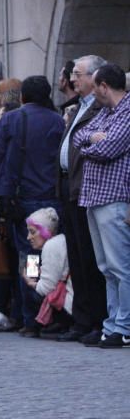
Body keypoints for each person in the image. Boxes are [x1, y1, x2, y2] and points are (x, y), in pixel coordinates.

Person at [0, 75, 65, 336]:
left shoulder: (12, 119)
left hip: (23, 198)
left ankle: (30, 317)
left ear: (23, 97)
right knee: (52, 257)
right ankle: (50, 314)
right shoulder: (57, 120)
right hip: (51, 196)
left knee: (29, 256)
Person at [73, 64, 130, 349]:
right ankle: (112, 324)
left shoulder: (127, 111)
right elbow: (79, 137)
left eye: (95, 86)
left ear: (105, 86)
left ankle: (125, 326)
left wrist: (91, 144)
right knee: (106, 267)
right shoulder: (106, 113)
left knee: (121, 267)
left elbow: (108, 149)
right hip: (94, 197)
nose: (93, 92)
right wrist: (91, 142)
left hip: (114, 196)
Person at [55, 55, 107, 345]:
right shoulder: (81, 106)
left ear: (94, 76)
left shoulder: (101, 106)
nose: (72, 78)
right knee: (76, 257)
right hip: (68, 186)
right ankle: (82, 319)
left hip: (86, 188)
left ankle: (96, 320)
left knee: (91, 259)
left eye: (78, 73)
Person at [23, 207, 72, 335]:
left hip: (68, 302)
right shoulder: (59, 240)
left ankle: (59, 322)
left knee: (32, 293)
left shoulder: (51, 246)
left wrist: (29, 281)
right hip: (71, 296)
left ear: (46, 231)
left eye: (32, 232)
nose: (28, 237)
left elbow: (45, 289)